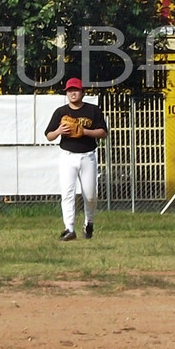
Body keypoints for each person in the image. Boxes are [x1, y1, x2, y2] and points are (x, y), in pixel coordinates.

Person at [44, 77, 108, 241]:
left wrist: (84, 131)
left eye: (76, 90)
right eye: (70, 90)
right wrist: (58, 131)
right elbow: (49, 136)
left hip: (88, 156)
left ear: (82, 92)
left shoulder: (93, 110)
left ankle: (89, 222)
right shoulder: (61, 112)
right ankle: (69, 229)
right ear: (66, 93)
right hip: (67, 156)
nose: (73, 93)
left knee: (90, 195)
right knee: (67, 193)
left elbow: (103, 133)